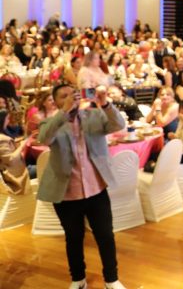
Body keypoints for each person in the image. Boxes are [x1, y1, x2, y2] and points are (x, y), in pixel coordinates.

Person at [37, 83, 127, 289]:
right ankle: (78, 279)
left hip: (96, 190)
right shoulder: (50, 123)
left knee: (105, 235)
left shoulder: (94, 115)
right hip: (67, 195)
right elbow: (44, 138)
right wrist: (63, 112)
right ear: (55, 102)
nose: (70, 98)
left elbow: (118, 124)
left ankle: (111, 279)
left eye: (73, 94)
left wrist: (105, 103)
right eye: (63, 96)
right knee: (73, 238)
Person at [0, 109, 32, 195]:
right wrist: (22, 145)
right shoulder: (1, 140)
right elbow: (11, 159)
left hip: (13, 168)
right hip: (13, 175)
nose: (8, 121)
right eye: (7, 118)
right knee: (44, 168)